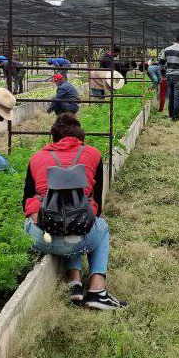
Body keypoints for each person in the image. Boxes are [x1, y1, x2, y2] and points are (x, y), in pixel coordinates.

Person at [23, 113, 127, 310]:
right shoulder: (93, 154)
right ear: (81, 138)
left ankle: (75, 283)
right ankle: (97, 290)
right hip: (78, 238)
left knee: (62, 219)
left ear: (53, 138)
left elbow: (25, 201)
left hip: (42, 238)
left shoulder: (36, 158)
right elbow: (96, 205)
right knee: (94, 223)